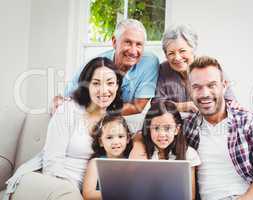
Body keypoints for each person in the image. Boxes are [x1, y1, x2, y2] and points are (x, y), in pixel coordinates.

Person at [3, 57, 123, 200]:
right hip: (44, 180)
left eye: (110, 83)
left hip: (79, 191)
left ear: (117, 86)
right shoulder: (69, 110)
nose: (104, 90)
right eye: (96, 83)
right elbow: (52, 162)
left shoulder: (114, 122)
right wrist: (71, 192)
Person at [184, 56, 253, 200]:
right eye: (197, 87)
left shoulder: (251, 122)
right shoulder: (187, 127)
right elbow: (154, 133)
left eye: (211, 85)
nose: (204, 93)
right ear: (189, 89)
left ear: (224, 86)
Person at [54, 19, 159, 116]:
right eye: (128, 42)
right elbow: (66, 98)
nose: (133, 51)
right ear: (114, 42)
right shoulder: (96, 64)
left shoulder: (150, 62)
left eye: (139, 44)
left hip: (118, 121)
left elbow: (137, 106)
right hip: (91, 117)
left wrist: (101, 112)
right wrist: (60, 103)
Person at [154, 25, 235, 113]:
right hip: (175, 125)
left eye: (182, 51)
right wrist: (184, 106)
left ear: (193, 49)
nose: (177, 57)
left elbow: (231, 102)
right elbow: (156, 105)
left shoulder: (211, 67)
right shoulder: (163, 70)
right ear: (166, 55)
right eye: (171, 53)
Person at [142, 100, 201, 200]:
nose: (161, 134)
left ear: (177, 129)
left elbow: (190, 197)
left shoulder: (189, 154)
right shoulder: (142, 152)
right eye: (156, 128)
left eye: (167, 128)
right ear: (148, 129)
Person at [82, 115, 132, 200]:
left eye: (120, 136)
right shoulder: (95, 163)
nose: (115, 142)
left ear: (127, 139)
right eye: (109, 137)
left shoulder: (132, 161)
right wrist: (118, 193)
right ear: (101, 142)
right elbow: (88, 194)